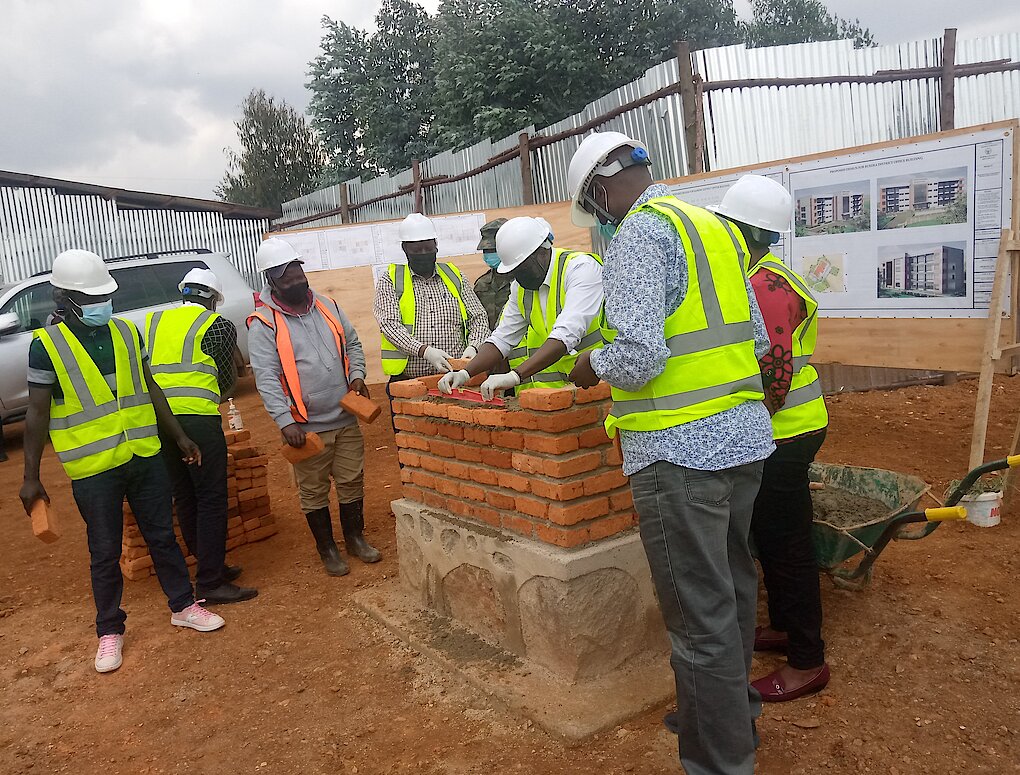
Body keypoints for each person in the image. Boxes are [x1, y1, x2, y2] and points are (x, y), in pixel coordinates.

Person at [566, 132, 774, 775]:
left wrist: (591, 364)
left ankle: (719, 761)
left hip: (679, 453)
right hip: (743, 442)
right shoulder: (715, 228)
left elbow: (639, 356)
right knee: (732, 590)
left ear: (602, 188)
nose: (598, 217)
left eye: (592, 205)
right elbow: (758, 339)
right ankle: (731, 715)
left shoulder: (638, 234)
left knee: (696, 616)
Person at [19, 249, 225, 675]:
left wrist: (179, 435)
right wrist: (30, 477)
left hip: (143, 453)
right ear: (65, 298)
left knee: (162, 536)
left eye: (104, 296)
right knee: (104, 550)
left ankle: (183, 606)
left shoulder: (127, 332)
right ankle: (109, 629)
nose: (101, 305)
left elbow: (150, 386)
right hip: (94, 467)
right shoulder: (46, 347)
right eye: (91, 298)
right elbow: (36, 413)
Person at [710, 175, 830, 702]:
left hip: (786, 431)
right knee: (773, 536)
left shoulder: (766, 287)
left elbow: (776, 376)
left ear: (746, 231)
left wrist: (750, 430)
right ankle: (784, 627)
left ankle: (807, 661)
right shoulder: (756, 277)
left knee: (786, 546)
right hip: (782, 430)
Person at [247, 238, 380, 577]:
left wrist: (357, 376)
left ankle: (355, 539)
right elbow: (267, 377)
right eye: (288, 278)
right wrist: (284, 421)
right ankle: (328, 549)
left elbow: (352, 344)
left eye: (299, 274)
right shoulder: (263, 323)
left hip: (345, 416)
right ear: (271, 280)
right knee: (313, 490)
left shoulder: (328, 305)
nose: (297, 282)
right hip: (304, 427)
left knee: (351, 480)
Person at [145, 268, 258, 605]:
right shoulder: (217, 325)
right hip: (197, 420)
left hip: (161, 420)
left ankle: (210, 566)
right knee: (210, 497)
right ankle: (210, 582)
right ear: (213, 299)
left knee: (184, 494)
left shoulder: (154, 321)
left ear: (184, 292)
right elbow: (225, 377)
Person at [439, 216, 604, 399]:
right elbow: (502, 339)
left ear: (541, 252)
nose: (518, 277)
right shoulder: (521, 287)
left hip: (598, 384)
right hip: (559, 395)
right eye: (513, 271)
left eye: (522, 269)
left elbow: (566, 334)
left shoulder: (580, 269)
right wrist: (465, 373)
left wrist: (515, 376)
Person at [373, 213, 490, 409]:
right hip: (411, 383)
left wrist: (474, 347)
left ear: (436, 245)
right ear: (405, 249)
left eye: (428, 247)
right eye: (417, 249)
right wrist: (425, 351)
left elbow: (478, 317)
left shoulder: (454, 275)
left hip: (455, 381)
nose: (423, 253)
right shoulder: (391, 279)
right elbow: (389, 325)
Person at [472, 217, 510, 330]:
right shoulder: (481, 284)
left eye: (493, 250)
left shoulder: (522, 281)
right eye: (486, 251)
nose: (489, 255)